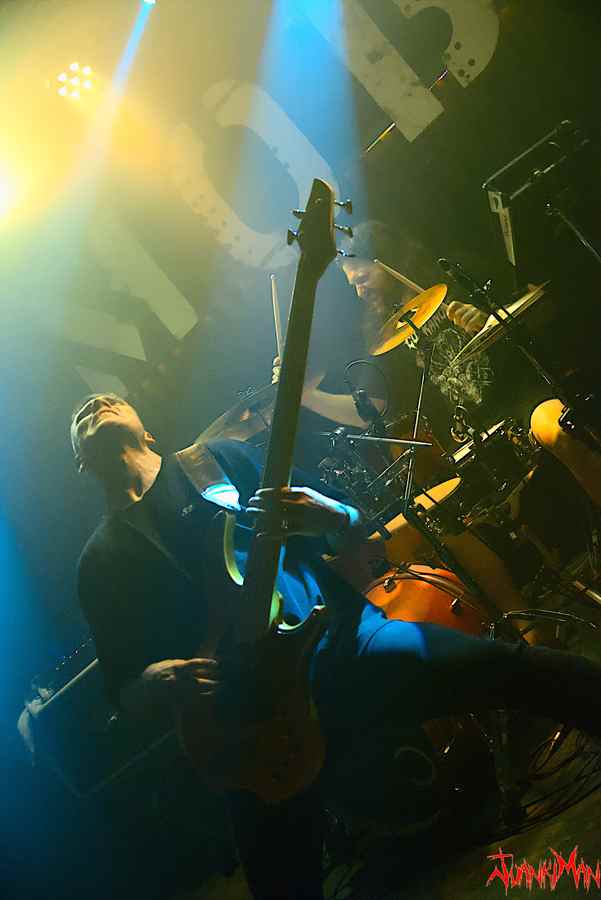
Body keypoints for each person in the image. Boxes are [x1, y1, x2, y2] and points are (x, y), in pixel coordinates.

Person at [73, 392, 601, 900]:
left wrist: (331, 515)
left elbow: (355, 524)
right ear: (82, 466)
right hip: (250, 723)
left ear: (147, 431)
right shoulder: (101, 563)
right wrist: (156, 679)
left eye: (107, 400)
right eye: (79, 418)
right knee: (280, 884)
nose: (93, 405)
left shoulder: (216, 461)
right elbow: (122, 689)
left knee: (515, 670)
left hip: (343, 646)